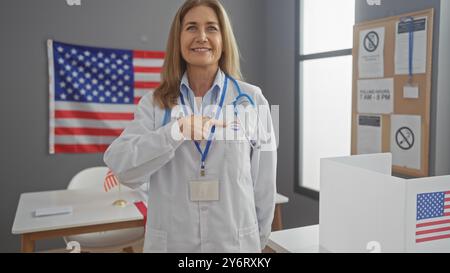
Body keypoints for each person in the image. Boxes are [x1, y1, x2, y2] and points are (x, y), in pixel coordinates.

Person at [104, 0, 277, 253]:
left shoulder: (253, 100)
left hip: (234, 244)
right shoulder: (154, 104)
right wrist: (176, 132)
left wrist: (255, 241)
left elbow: (264, 183)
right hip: (173, 243)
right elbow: (121, 166)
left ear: (223, 38)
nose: (202, 37)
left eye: (212, 28)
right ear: (179, 38)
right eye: (192, 28)